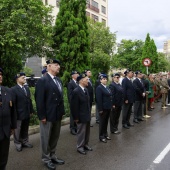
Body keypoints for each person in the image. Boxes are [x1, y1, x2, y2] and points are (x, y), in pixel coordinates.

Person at [35, 59, 65, 170]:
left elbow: (60, 99)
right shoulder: (43, 80)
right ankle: (46, 159)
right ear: (49, 66)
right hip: (47, 115)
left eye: (59, 65)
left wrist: (62, 112)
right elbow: (39, 100)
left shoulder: (58, 80)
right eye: (56, 65)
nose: (58, 67)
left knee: (54, 137)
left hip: (57, 114)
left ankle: (53, 155)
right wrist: (42, 116)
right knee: (45, 138)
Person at [71, 73, 92, 155]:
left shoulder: (85, 90)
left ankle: (85, 144)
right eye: (86, 80)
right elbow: (74, 106)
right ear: (81, 81)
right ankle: (80, 147)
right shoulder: (76, 91)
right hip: (80, 116)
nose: (88, 81)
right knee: (81, 132)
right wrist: (76, 117)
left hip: (86, 114)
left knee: (87, 132)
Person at [12, 72, 34, 152]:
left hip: (26, 112)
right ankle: (18, 143)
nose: (24, 79)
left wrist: (31, 110)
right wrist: (14, 115)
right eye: (23, 78)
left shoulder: (26, 88)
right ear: (17, 79)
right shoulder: (13, 89)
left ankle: (25, 141)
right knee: (17, 130)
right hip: (18, 114)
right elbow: (13, 104)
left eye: (25, 77)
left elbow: (29, 100)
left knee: (25, 128)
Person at [0, 68, 17, 170]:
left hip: (6, 130)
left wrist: (13, 126)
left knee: (3, 156)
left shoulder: (7, 91)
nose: (0, 76)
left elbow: (13, 110)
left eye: (1, 74)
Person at [96, 74, 112, 143]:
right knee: (102, 123)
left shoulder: (107, 87)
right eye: (103, 79)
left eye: (106, 79)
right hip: (103, 108)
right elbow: (99, 99)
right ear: (100, 80)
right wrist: (100, 109)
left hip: (108, 107)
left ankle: (105, 134)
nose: (105, 80)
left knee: (106, 122)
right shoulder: (99, 88)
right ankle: (101, 136)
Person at [67, 71, 79, 135]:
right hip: (73, 102)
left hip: (77, 102)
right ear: (72, 76)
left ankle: (76, 127)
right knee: (72, 116)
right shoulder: (70, 83)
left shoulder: (77, 83)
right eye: (75, 74)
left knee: (76, 115)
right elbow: (70, 94)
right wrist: (71, 102)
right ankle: (72, 128)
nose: (77, 75)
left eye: (77, 74)